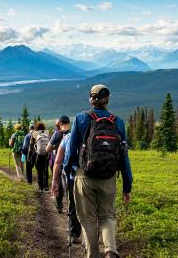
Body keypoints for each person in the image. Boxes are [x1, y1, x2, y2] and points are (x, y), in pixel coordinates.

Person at [65, 84, 133, 258]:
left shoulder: (80, 119)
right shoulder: (118, 122)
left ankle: (92, 254)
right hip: (108, 177)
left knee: (87, 219)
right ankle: (110, 249)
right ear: (107, 99)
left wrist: (67, 172)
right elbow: (123, 156)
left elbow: (71, 151)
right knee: (107, 216)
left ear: (91, 99)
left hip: (84, 176)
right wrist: (127, 186)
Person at [51, 126, 82, 244]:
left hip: (71, 176)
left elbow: (58, 162)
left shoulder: (67, 137)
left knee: (72, 203)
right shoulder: (91, 136)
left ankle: (74, 232)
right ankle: (90, 239)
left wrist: (55, 181)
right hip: (90, 176)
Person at [47, 115, 71, 213]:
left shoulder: (57, 134)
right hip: (69, 161)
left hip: (58, 161)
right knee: (69, 185)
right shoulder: (72, 133)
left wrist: (56, 147)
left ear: (59, 124)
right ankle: (71, 206)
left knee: (58, 183)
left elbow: (47, 149)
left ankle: (59, 205)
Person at [31, 121, 50, 192]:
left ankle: (40, 187)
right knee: (45, 170)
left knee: (39, 171)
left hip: (38, 155)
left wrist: (30, 156)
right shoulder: (47, 133)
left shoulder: (35, 133)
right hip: (46, 154)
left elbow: (31, 144)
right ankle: (46, 187)